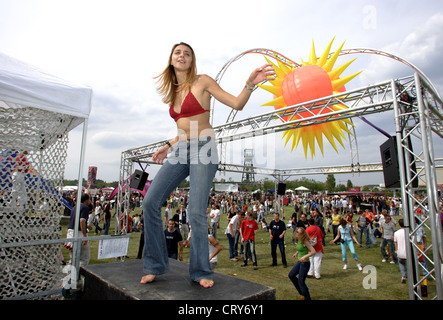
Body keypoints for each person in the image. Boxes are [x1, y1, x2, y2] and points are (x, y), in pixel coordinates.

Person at [140, 42, 275, 288]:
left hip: (204, 147)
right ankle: (155, 265)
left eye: (187, 53)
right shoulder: (173, 91)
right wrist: (168, 146)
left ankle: (201, 270)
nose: (182, 56)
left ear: (192, 61)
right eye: (178, 53)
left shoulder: (202, 81)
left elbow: (236, 104)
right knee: (149, 202)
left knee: (195, 212)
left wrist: (250, 84)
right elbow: (184, 129)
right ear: (171, 59)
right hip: (181, 148)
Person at [288, 227, 316, 300]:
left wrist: (304, 256)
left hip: (305, 263)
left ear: (302, 234)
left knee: (301, 281)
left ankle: (307, 297)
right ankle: (302, 292)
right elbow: (301, 249)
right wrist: (296, 253)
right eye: (296, 231)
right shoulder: (299, 241)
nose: (296, 233)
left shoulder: (305, 241)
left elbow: (313, 251)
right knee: (291, 275)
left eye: (298, 232)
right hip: (300, 262)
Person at [64, 193, 92, 267]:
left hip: (71, 233)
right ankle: (78, 275)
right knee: (84, 258)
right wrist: (85, 236)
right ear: (86, 200)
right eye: (89, 199)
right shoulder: (85, 208)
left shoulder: (74, 207)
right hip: (79, 234)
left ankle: (69, 274)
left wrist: (87, 226)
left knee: (74, 257)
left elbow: (75, 220)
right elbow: (82, 221)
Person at [394, 219, 407, 283]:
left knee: (401, 263)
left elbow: (395, 243)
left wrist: (397, 250)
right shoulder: (408, 232)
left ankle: (403, 276)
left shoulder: (396, 233)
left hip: (400, 251)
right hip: (408, 252)